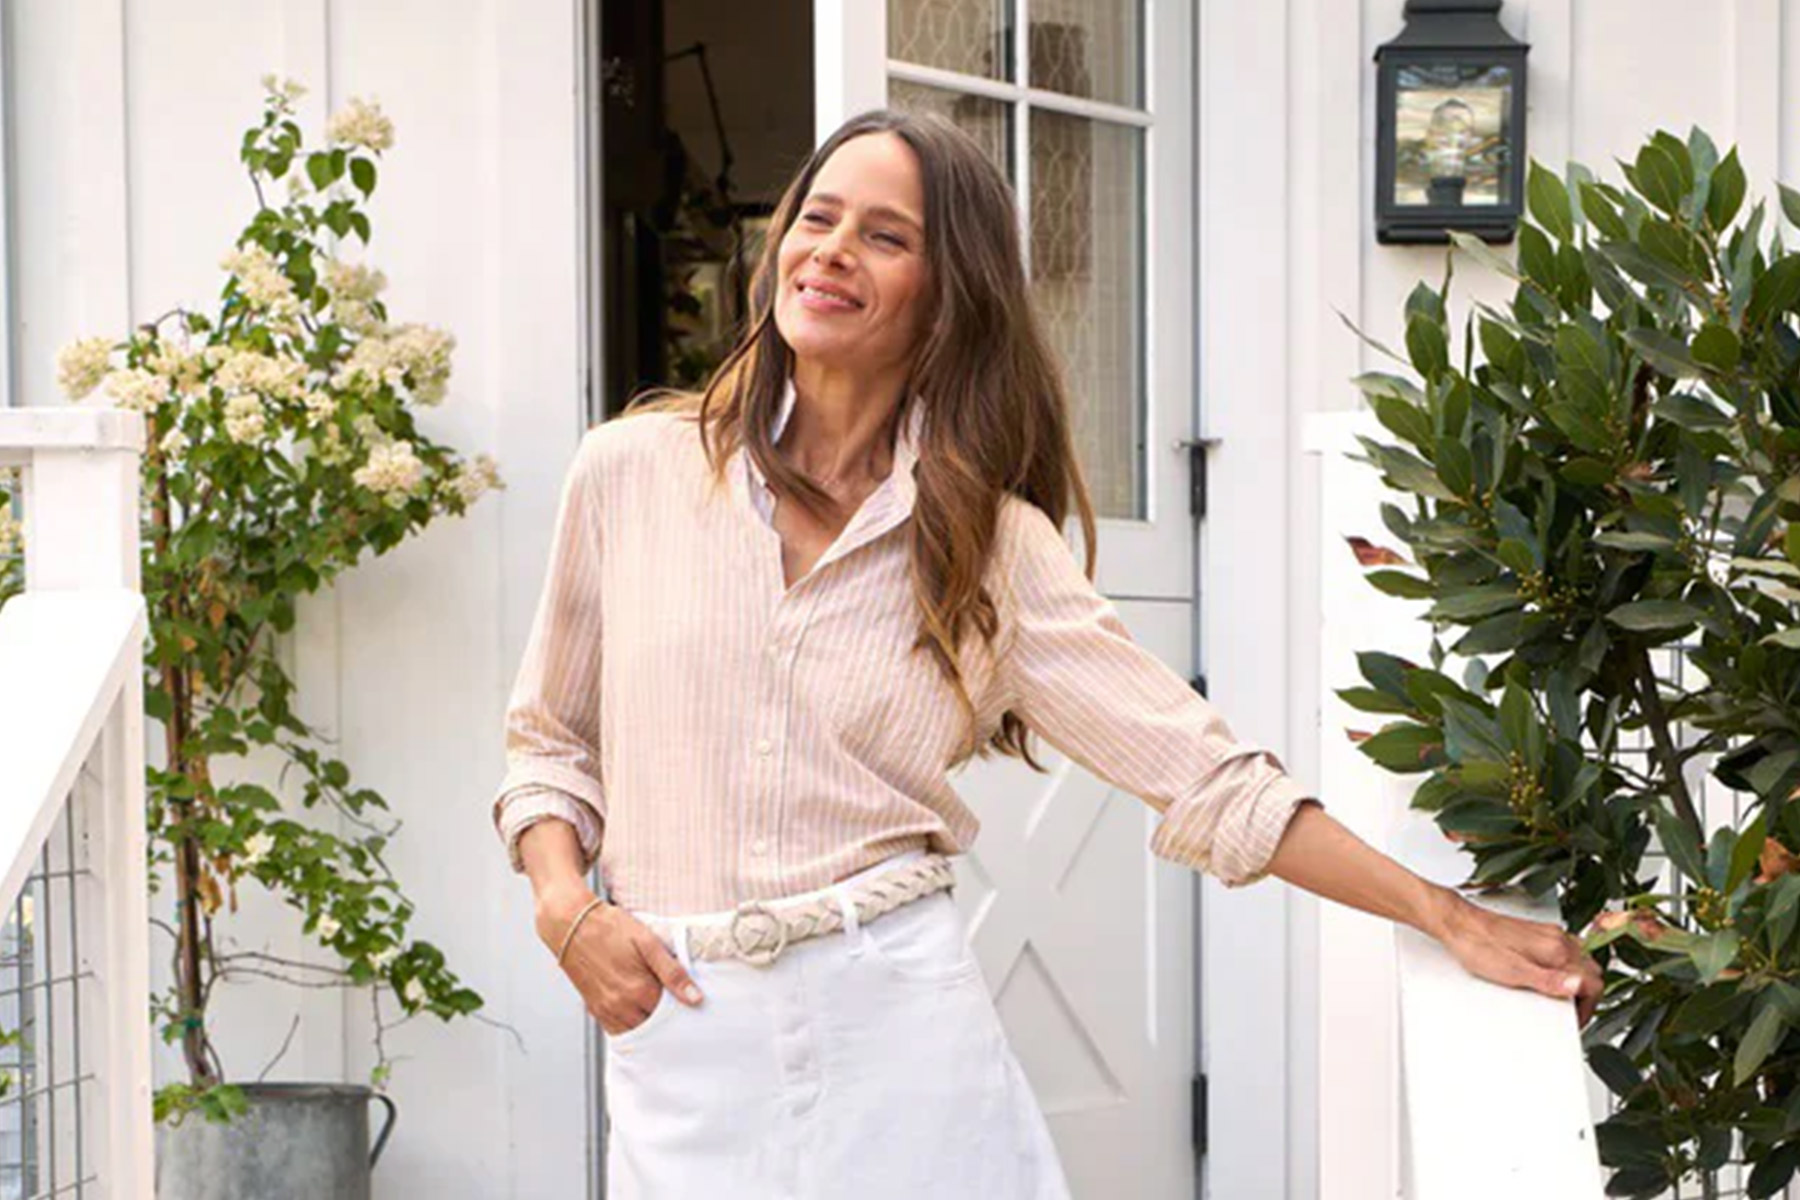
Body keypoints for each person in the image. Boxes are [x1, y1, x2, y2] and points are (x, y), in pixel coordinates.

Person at [491, 108, 1604, 1199]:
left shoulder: (987, 544)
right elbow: (549, 742)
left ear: (948, 297)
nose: (831, 252)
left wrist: (1445, 915)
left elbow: (1205, 778)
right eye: (816, 219)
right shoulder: (629, 473)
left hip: (900, 1029)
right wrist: (565, 909)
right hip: (683, 1030)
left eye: (885, 236)